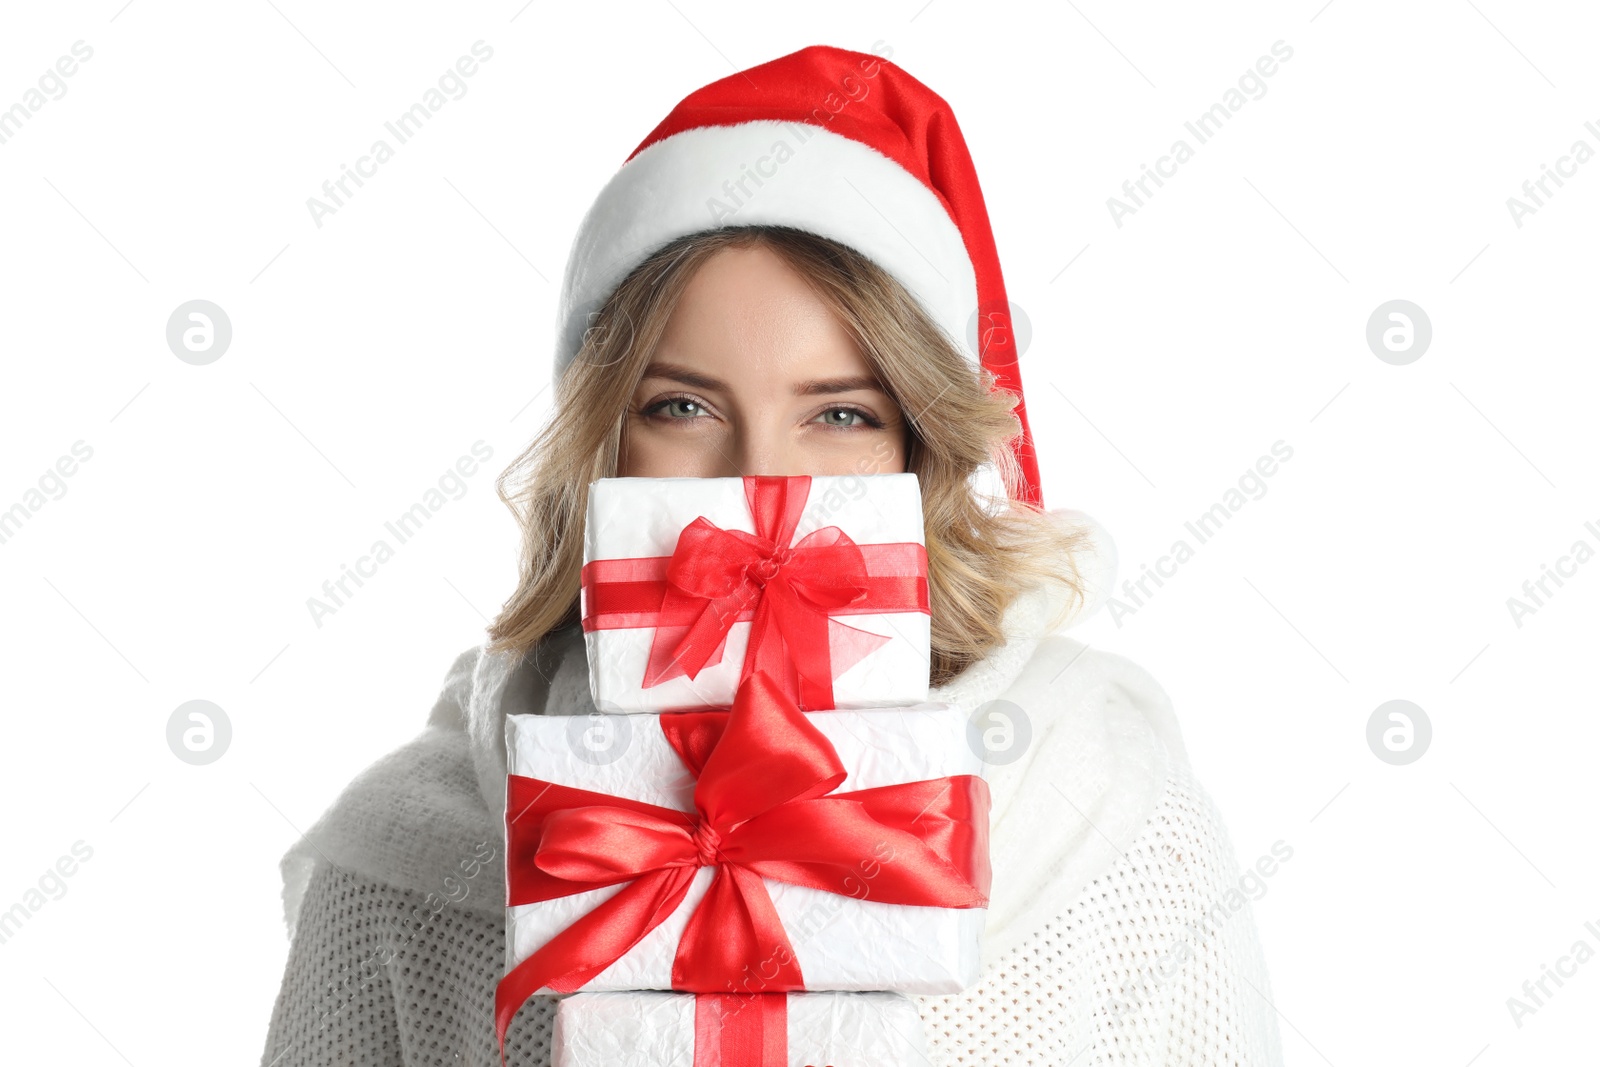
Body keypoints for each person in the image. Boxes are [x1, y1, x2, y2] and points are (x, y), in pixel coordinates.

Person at [259, 44, 1285, 1067]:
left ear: (920, 446)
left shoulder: (1106, 813)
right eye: (682, 406)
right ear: (602, 445)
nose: (759, 482)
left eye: (838, 413)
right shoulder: (407, 856)